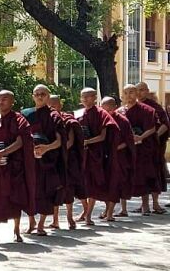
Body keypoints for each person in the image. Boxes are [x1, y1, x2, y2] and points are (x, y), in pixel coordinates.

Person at [0, 90, 36, 242]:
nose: (1, 102)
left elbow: (20, 141)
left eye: (5, 99)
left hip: (13, 166)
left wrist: (3, 152)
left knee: (15, 198)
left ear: (12, 102)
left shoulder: (19, 120)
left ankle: (16, 231)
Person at [76, 88, 121, 225]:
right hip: (84, 155)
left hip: (98, 155)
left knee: (94, 186)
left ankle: (89, 215)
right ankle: (92, 211)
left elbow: (103, 136)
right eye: (82, 97)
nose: (84, 99)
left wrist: (87, 142)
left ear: (95, 97)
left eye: (88, 97)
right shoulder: (79, 113)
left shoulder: (101, 113)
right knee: (85, 185)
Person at [25, 86, 65, 235]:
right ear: (33, 96)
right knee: (29, 191)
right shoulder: (26, 114)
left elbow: (60, 141)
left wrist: (46, 148)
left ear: (48, 97)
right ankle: (31, 223)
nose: (40, 97)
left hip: (48, 160)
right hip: (29, 160)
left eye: (43, 94)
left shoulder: (54, 116)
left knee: (45, 192)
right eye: (37, 94)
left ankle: (41, 225)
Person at [119, 85, 160, 216]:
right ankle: (123, 209)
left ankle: (145, 206)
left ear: (136, 94)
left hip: (142, 148)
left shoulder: (147, 110)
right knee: (123, 177)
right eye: (126, 93)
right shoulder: (120, 111)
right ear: (123, 95)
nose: (129, 95)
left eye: (131, 92)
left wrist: (140, 137)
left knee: (143, 177)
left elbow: (152, 128)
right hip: (125, 149)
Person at [49, 95, 84, 229]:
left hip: (67, 159)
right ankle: (55, 220)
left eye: (54, 105)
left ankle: (70, 218)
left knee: (68, 189)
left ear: (60, 105)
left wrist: (58, 149)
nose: (52, 108)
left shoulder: (68, 120)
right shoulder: (48, 120)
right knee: (54, 190)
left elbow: (70, 141)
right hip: (53, 158)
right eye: (49, 105)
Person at [135, 83, 168, 214]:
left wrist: (154, 137)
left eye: (142, 90)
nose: (139, 93)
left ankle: (155, 203)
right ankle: (144, 204)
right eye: (136, 90)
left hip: (153, 147)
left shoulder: (154, 107)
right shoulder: (132, 107)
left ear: (147, 91)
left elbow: (165, 124)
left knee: (154, 175)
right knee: (142, 175)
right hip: (138, 147)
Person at [104, 95, 137, 220]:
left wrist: (116, 148)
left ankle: (110, 213)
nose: (106, 112)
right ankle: (107, 210)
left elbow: (129, 140)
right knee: (105, 185)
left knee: (115, 184)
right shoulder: (102, 119)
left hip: (119, 158)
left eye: (109, 109)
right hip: (105, 157)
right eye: (103, 108)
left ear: (115, 107)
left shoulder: (123, 121)